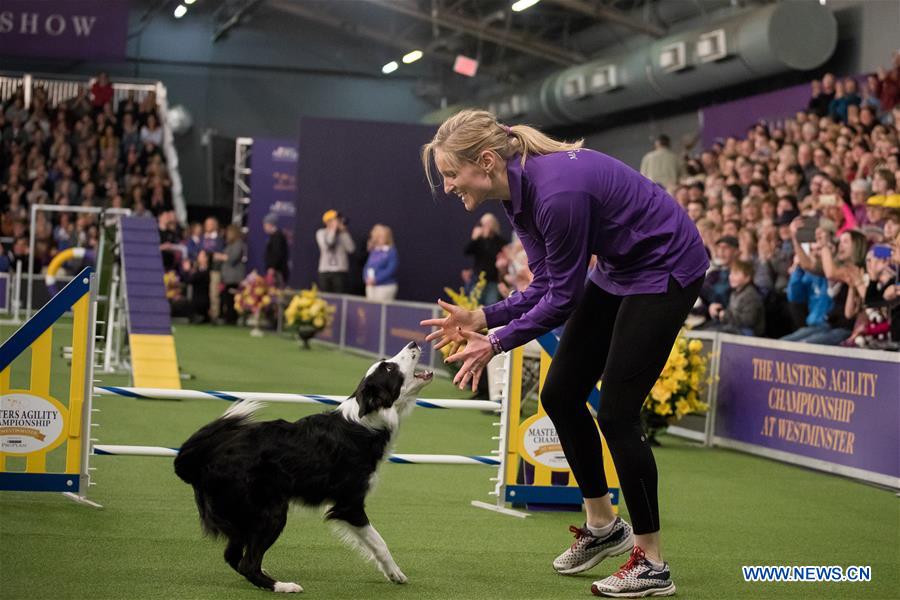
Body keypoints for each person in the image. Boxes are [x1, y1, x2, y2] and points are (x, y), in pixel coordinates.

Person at [419, 110, 708, 598]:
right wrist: (482, 317)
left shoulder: (556, 193)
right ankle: (603, 528)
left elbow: (563, 299)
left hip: (666, 267)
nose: (448, 187)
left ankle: (652, 562)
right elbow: (549, 284)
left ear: (486, 162)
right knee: (561, 393)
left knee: (617, 415)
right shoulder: (518, 194)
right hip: (620, 267)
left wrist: (495, 341)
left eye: (451, 174)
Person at [464, 212, 508, 305]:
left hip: (493, 280)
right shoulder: (479, 241)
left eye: (489, 223)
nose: (487, 226)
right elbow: (467, 251)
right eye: (484, 224)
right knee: (473, 304)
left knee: (491, 305)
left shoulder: (500, 242)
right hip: (477, 279)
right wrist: (474, 239)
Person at [315, 209, 355, 293]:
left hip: (340, 271)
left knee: (340, 297)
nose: (338, 222)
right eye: (335, 220)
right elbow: (327, 245)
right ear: (327, 222)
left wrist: (344, 232)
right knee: (325, 297)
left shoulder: (343, 234)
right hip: (325, 271)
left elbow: (351, 249)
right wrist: (333, 230)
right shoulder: (321, 233)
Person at [215, 224, 247, 325]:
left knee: (232, 298)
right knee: (227, 298)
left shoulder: (238, 243)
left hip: (234, 277)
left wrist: (221, 257)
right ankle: (228, 317)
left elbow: (233, 258)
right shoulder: (229, 244)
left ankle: (232, 318)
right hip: (227, 277)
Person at [363, 224, 399, 302]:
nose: (378, 239)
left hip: (385, 286)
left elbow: (391, 269)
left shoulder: (391, 252)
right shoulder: (374, 251)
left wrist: (376, 279)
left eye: (380, 237)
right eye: (376, 237)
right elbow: (367, 266)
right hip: (370, 286)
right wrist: (366, 278)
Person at [263, 213, 289, 285]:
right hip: (276, 270)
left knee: (276, 292)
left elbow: (277, 253)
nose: (264, 227)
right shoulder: (274, 236)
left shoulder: (277, 236)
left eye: (265, 225)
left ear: (270, 224)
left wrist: (272, 267)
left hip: (277, 271)